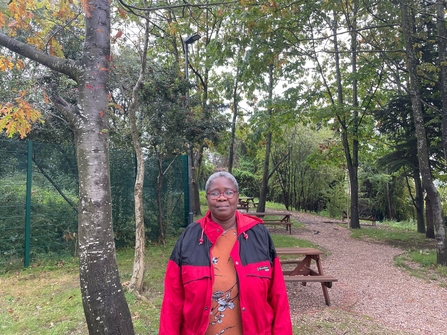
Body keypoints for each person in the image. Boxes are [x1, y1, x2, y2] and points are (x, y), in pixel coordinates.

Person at [159, 171, 293, 335]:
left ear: (236, 196)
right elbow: (172, 301)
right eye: (215, 193)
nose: (222, 198)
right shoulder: (189, 237)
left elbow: (278, 296)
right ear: (207, 197)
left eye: (228, 192)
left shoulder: (259, 235)